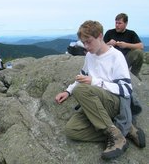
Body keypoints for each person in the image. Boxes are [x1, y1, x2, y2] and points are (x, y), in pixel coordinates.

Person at [55, 20, 145, 160]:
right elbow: (83, 76)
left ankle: (116, 138)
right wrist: (68, 91)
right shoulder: (90, 56)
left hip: (114, 102)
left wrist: (95, 82)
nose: (86, 46)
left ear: (100, 36)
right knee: (71, 130)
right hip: (96, 103)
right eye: (83, 43)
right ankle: (123, 130)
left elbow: (126, 89)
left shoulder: (116, 56)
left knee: (82, 90)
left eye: (89, 41)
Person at [104, 13, 144, 80]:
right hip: (111, 60)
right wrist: (108, 44)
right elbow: (100, 47)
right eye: (116, 23)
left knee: (139, 52)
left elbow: (141, 46)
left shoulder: (131, 33)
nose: (117, 25)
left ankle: (134, 73)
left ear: (126, 23)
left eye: (119, 23)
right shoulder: (109, 32)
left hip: (125, 60)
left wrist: (126, 45)